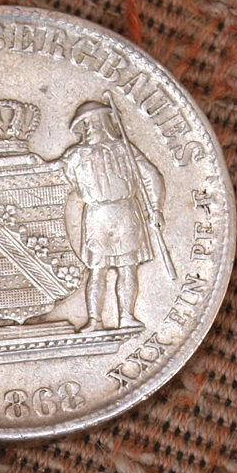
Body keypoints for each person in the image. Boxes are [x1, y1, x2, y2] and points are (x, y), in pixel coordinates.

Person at [60, 100, 166, 331]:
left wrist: (156, 208)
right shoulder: (75, 155)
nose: (88, 129)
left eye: (92, 123)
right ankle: (94, 320)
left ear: (104, 123)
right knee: (97, 271)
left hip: (126, 212)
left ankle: (126, 316)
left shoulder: (124, 149)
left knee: (128, 267)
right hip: (97, 216)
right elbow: (60, 177)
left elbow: (151, 175)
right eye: (84, 125)